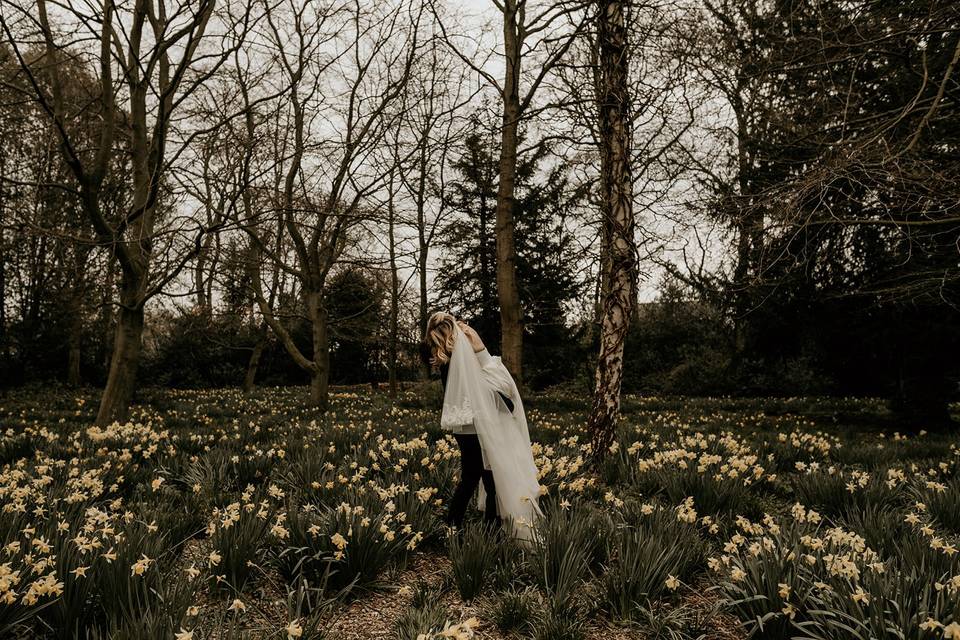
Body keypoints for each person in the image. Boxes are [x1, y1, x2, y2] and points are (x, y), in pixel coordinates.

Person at [421, 311, 542, 539]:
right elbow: (501, 394)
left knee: (471, 478)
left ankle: (453, 526)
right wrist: (480, 350)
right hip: (480, 427)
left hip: (463, 427)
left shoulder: (446, 362)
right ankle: (490, 531)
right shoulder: (465, 358)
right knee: (490, 478)